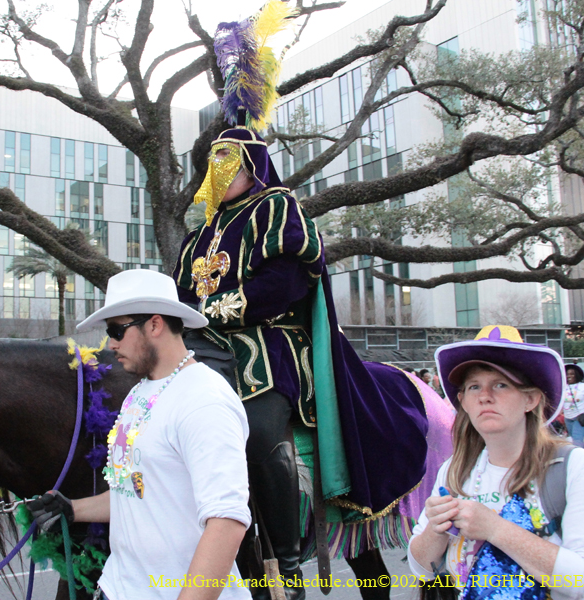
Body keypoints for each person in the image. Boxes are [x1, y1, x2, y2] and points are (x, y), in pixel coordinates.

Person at [173, 125, 430, 599]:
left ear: (252, 167)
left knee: (259, 425)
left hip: (269, 342)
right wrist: (188, 319)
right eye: (214, 164)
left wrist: (212, 311)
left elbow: (284, 285)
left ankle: (286, 571)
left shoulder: (275, 207)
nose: (219, 172)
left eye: (229, 162)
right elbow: (182, 294)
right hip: (202, 342)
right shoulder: (197, 236)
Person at [30, 270, 252, 600]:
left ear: (155, 325)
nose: (111, 343)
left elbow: (226, 522)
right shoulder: (139, 392)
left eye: (116, 330)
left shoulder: (205, 399)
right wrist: (73, 509)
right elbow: (136, 491)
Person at [408, 325, 584, 599]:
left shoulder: (574, 467)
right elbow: (422, 569)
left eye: (501, 384)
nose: (484, 396)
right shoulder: (453, 471)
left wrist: (496, 529)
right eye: (474, 386)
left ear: (531, 399)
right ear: (463, 401)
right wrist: (436, 529)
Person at [562, 364, 584, 449]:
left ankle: (579, 456)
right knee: (575, 440)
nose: (569, 376)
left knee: (577, 440)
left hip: (581, 416)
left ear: (577, 375)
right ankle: (583, 455)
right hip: (568, 418)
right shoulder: (562, 387)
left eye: (572, 374)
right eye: (567, 374)